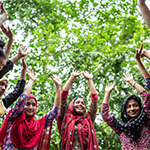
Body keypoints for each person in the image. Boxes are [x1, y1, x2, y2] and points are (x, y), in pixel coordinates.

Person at [0, 69, 61, 149]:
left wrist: (58, 88)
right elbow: (22, 99)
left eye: (33, 105)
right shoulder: (14, 117)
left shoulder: (38, 125)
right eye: (27, 104)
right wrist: (31, 81)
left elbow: (55, 112)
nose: (31, 107)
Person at [101, 73, 150, 150]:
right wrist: (107, 93)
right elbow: (105, 115)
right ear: (125, 111)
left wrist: (132, 83)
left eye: (135, 105)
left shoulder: (146, 120)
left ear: (140, 108)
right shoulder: (120, 128)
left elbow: (147, 97)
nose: (132, 109)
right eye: (128, 107)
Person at [57, 71, 99, 150]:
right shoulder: (65, 117)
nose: (80, 104)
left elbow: (94, 101)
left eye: (83, 103)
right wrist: (72, 77)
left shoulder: (88, 119)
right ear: (71, 105)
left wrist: (90, 80)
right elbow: (62, 97)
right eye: (77, 102)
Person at [0, 44, 29, 116]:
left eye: (6, 87)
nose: (3, 88)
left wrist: (24, 69)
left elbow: (17, 92)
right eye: (1, 84)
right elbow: (3, 70)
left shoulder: (1, 105)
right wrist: (17, 56)